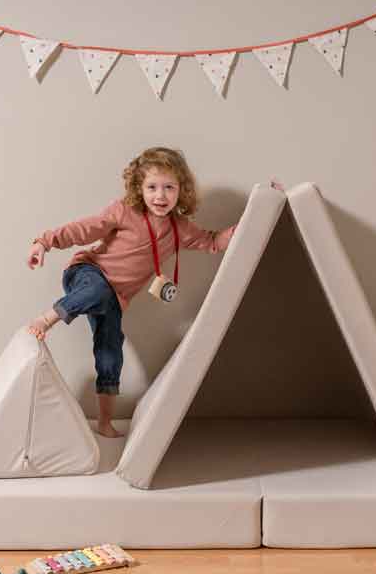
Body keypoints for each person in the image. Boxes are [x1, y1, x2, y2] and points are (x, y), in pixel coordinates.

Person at [25, 146, 281, 438]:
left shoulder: (179, 228)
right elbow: (84, 229)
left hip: (114, 299)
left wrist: (261, 211)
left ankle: (105, 421)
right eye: (152, 187)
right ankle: (47, 319)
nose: (160, 196)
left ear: (181, 190)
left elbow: (213, 242)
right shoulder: (123, 211)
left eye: (169, 187)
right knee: (97, 290)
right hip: (86, 274)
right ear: (139, 188)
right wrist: (44, 242)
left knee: (110, 354)